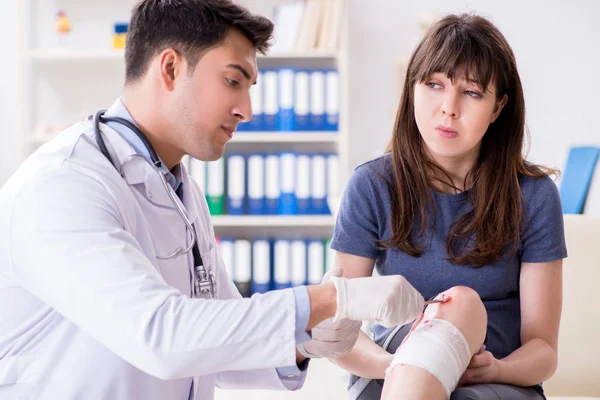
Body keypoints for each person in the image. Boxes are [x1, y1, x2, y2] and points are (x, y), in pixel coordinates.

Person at [0, 1, 430, 399]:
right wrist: (331, 300)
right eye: (232, 81)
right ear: (169, 68)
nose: (247, 109)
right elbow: (161, 336)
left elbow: (214, 337)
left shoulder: (180, 189)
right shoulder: (63, 184)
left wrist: (305, 343)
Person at [328, 13, 567, 400]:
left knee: (462, 305)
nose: (449, 107)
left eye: (471, 92)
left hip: (494, 382)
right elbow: (341, 335)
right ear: (412, 90)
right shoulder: (371, 185)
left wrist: (496, 368)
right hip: (386, 373)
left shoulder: (534, 195)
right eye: (434, 85)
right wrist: (410, 367)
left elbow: (543, 350)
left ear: (497, 107)